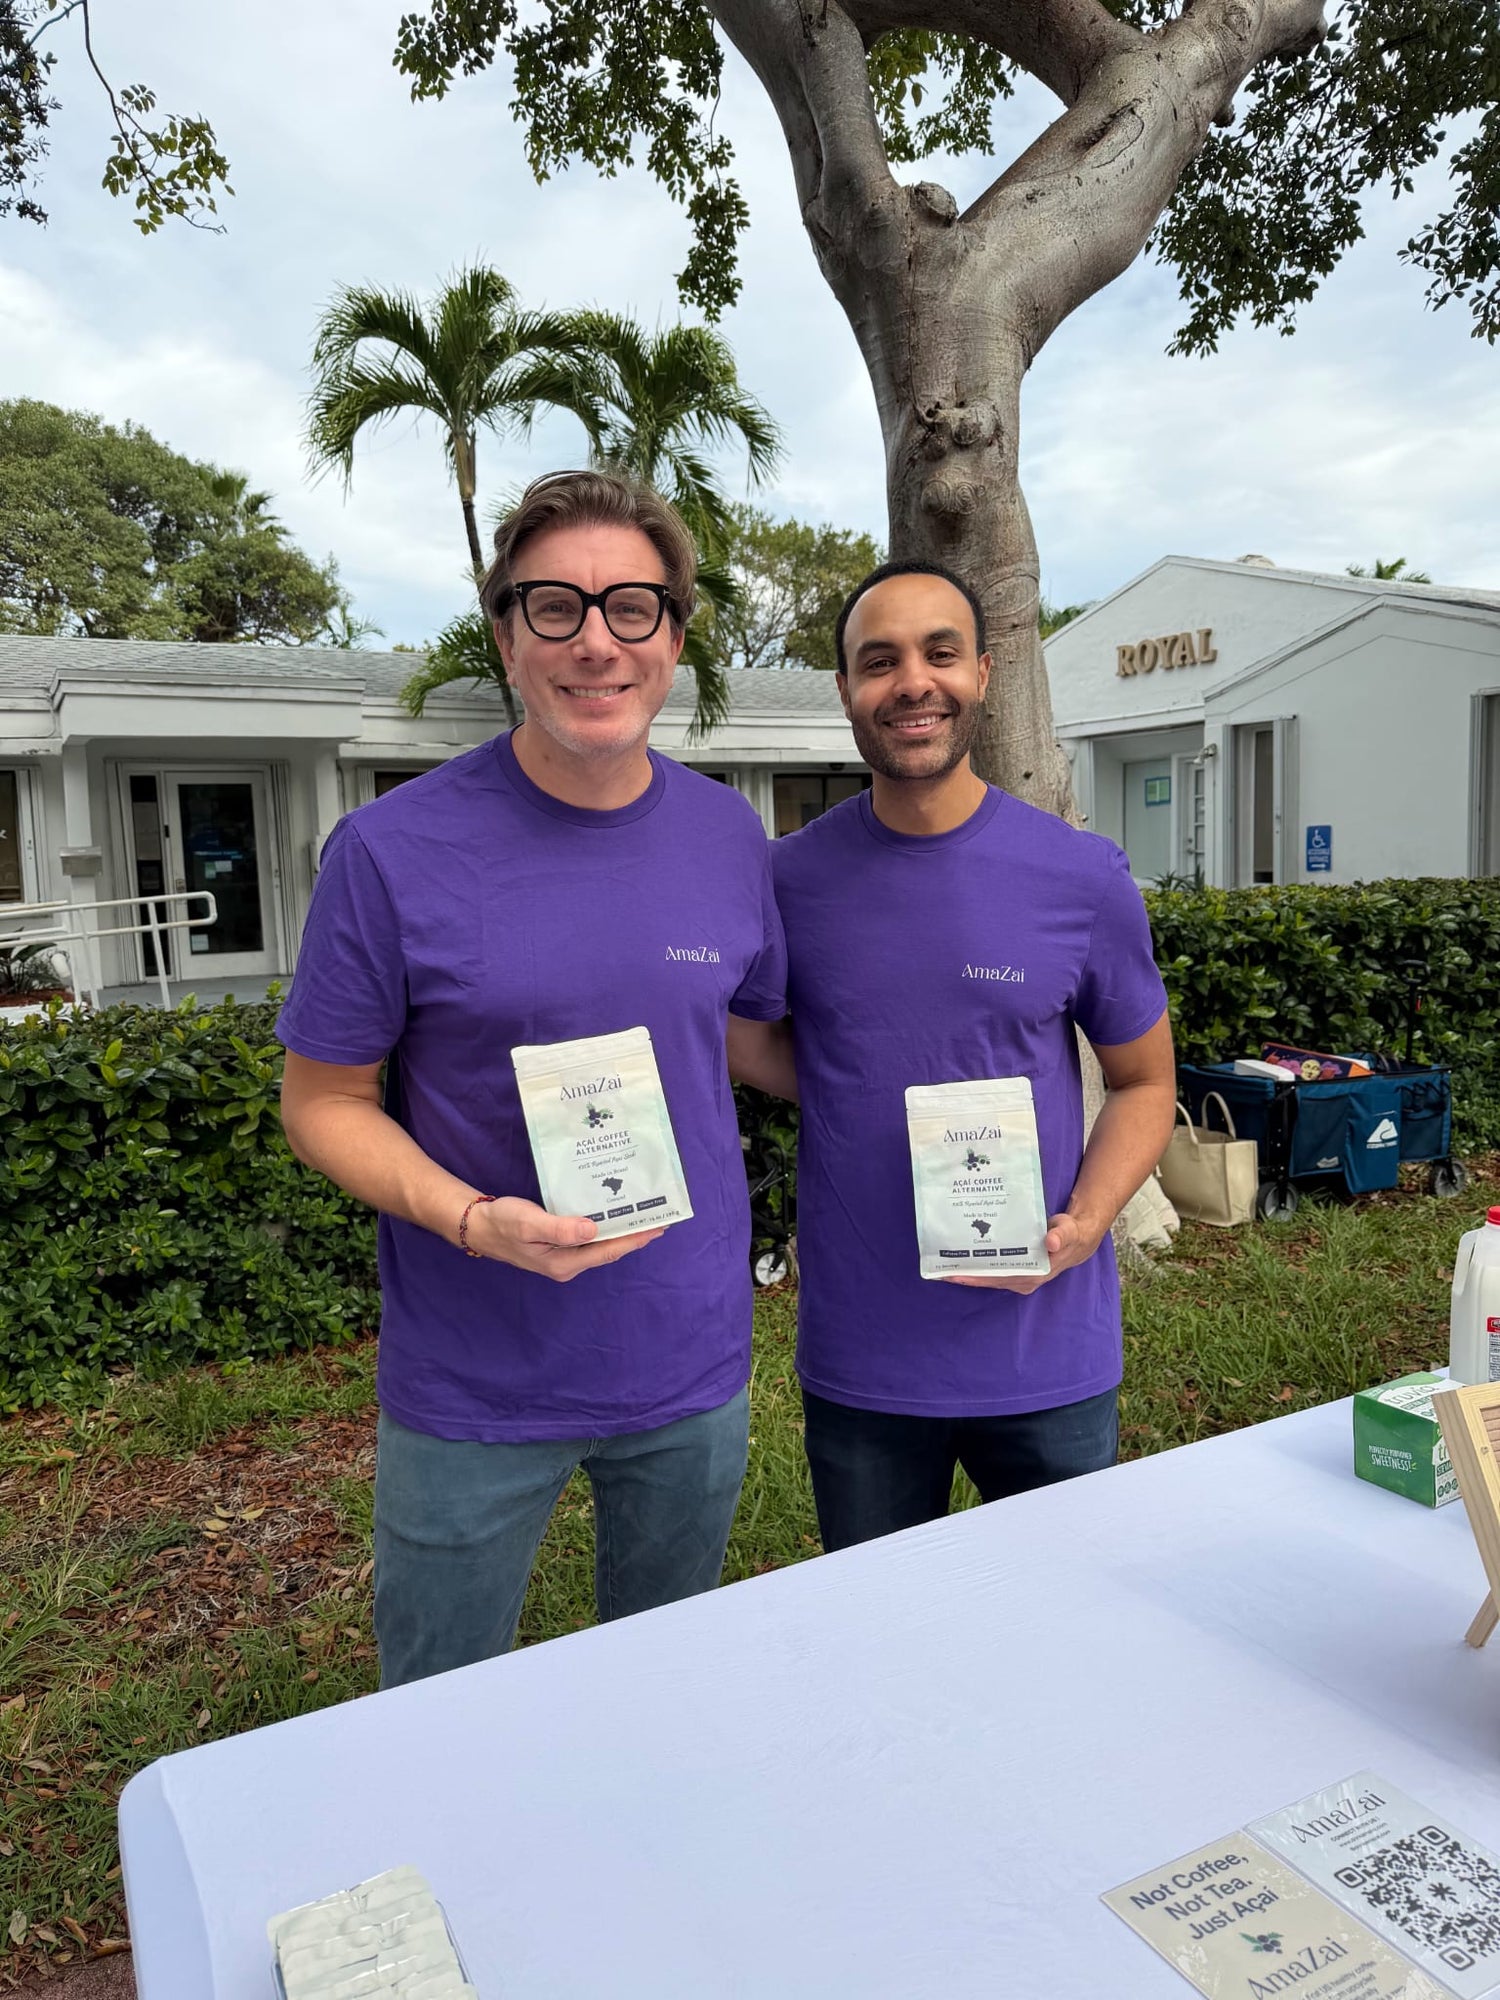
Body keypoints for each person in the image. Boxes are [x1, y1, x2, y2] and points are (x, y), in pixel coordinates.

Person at [277, 470, 787, 1686]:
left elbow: (743, 1036)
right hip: (474, 1379)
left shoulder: (728, 837)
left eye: (632, 607)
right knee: (438, 1710)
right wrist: (466, 1215)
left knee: (655, 1689)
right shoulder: (391, 853)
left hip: (689, 1356)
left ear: (675, 636)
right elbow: (323, 1099)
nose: (596, 640)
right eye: (554, 607)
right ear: (507, 637)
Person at [743, 560, 1175, 1551]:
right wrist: (856, 1084)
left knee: (1069, 1631)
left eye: (940, 652)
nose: (912, 681)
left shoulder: (1079, 873)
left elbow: (1147, 1082)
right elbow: (751, 1038)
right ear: (847, 688)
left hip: (1046, 1350)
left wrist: (1084, 1225)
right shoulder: (789, 878)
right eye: (878, 659)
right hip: (866, 1362)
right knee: (887, 1657)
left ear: (983, 671)